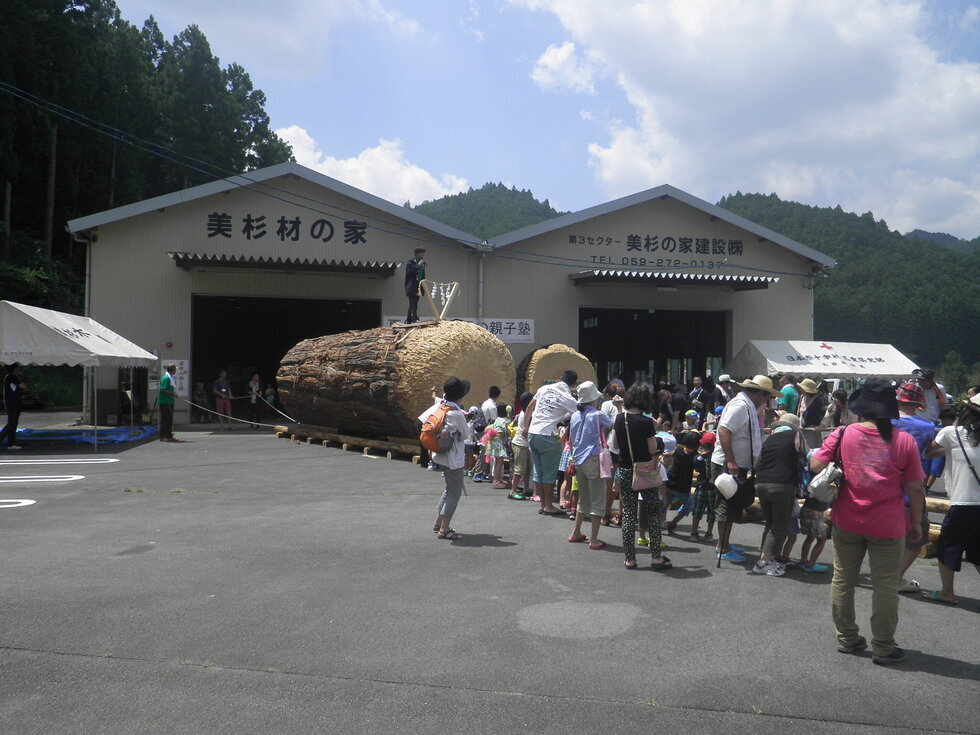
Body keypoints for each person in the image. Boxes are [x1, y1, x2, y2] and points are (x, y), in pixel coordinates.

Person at [810, 378, 924, 666]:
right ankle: (883, 647)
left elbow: (814, 465)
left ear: (861, 407)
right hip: (888, 525)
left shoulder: (844, 433)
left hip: (847, 520)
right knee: (885, 586)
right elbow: (915, 488)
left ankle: (847, 638)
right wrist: (917, 523)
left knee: (843, 579)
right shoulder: (905, 441)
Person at [711, 375, 780, 562]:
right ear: (760, 393)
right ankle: (722, 547)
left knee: (732, 504)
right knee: (726, 505)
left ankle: (724, 544)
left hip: (737, 463)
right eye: (767, 396)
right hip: (728, 464)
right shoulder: (740, 406)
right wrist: (731, 460)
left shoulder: (747, 405)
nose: (767, 400)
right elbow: (724, 430)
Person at [920, 393, 980, 605]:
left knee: (948, 546)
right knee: (977, 550)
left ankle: (947, 592)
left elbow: (928, 452)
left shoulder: (951, 433)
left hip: (964, 503)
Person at [614, 381, 671, 571]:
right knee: (653, 512)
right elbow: (652, 449)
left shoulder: (619, 419)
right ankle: (656, 557)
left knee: (629, 513)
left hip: (625, 470)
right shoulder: (646, 422)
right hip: (645, 470)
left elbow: (615, 444)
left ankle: (629, 559)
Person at [891, 381, 937, 595]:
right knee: (919, 534)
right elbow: (929, 452)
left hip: (882, 488)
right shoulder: (927, 427)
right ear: (920, 403)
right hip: (910, 491)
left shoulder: (884, 422)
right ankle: (896, 577)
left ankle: (882, 574)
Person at [752, 414, 807, 577]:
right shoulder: (796, 435)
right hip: (782, 483)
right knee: (779, 525)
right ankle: (763, 562)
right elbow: (808, 455)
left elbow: (758, 463)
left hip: (761, 483)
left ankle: (766, 557)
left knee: (770, 523)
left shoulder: (769, 439)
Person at [521, 370, 579, 516]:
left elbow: (529, 408)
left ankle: (542, 504)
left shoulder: (543, 389)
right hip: (548, 434)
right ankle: (548, 505)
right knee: (550, 472)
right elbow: (579, 413)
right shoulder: (568, 397)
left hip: (533, 432)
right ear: (573, 385)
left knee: (538, 471)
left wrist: (525, 427)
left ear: (560, 378)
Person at [566, 381, 614, 549]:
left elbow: (570, 440)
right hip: (594, 459)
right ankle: (593, 540)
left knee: (583, 499)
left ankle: (576, 532)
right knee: (598, 500)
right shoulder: (598, 414)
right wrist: (619, 407)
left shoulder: (574, 415)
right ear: (593, 398)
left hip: (578, 460)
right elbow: (614, 424)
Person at [426, 377, 471, 540]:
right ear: (460, 395)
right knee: (454, 493)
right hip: (453, 459)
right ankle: (444, 529)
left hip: (440, 455)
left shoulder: (441, 407)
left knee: (449, 489)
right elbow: (466, 434)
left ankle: (439, 522)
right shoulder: (457, 413)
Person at [665, 431, 699, 534]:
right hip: (683, 488)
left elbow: (669, 454)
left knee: (665, 503)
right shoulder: (695, 457)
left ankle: (661, 521)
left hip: (670, 483)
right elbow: (698, 469)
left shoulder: (678, 450)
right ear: (698, 445)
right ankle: (673, 522)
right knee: (688, 505)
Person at [689, 432, 717, 541]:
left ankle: (694, 533)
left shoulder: (697, 458)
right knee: (712, 512)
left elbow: (696, 470)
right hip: (713, 489)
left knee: (697, 511)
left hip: (701, 487)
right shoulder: (717, 458)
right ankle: (709, 534)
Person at [508, 392, 534, 500]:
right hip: (520, 443)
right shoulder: (526, 414)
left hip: (525, 444)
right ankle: (513, 491)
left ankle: (526, 488)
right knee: (519, 469)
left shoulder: (526, 412)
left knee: (527, 468)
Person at [0, 363, 28, 450]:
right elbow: (24, 386)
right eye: (17, 368)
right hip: (13, 404)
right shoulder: (11, 377)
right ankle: (10, 443)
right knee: (11, 424)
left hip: (14, 404)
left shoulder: (10, 377)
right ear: (14, 369)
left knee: (13, 424)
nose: (19, 370)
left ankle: (11, 443)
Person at [404, 247, 426, 323]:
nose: (422, 254)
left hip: (418, 286)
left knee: (413, 304)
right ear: (416, 253)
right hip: (412, 286)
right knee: (413, 304)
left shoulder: (422, 263)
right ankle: (414, 319)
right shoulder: (411, 262)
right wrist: (418, 264)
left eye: (423, 253)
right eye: (421, 253)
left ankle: (409, 320)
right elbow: (410, 271)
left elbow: (422, 275)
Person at [158, 363, 178, 442]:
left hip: (169, 402)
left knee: (169, 419)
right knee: (165, 419)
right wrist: (172, 394)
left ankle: (169, 435)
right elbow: (163, 389)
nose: (175, 371)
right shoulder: (166, 378)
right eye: (175, 369)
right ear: (172, 370)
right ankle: (163, 436)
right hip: (165, 402)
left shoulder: (170, 377)